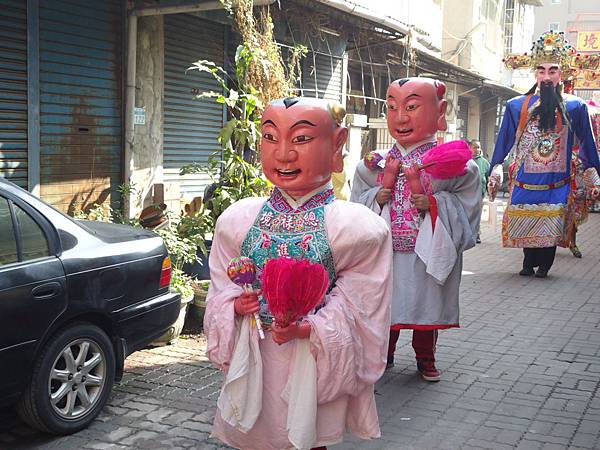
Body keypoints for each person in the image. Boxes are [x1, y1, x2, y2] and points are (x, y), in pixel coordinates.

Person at [204, 97, 392, 450]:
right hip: (255, 349)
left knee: (307, 434)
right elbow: (221, 286)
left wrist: (310, 327)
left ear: (337, 145)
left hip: (312, 354)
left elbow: (363, 302)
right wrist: (234, 305)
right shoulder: (237, 220)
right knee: (254, 432)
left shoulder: (356, 228)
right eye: (271, 137)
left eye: (302, 139)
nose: (284, 154)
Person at [350, 77, 481, 382]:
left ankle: (426, 357)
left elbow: (468, 200)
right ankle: (385, 354)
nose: (401, 118)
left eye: (411, 107)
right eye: (392, 107)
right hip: (388, 252)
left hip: (428, 249)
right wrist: (376, 197)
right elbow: (357, 202)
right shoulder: (373, 165)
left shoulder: (455, 165)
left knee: (427, 304)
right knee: (385, 306)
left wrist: (434, 204)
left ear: (440, 111)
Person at [490, 31, 600, 278]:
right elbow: (504, 142)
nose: (547, 76)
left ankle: (545, 266)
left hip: (557, 183)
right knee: (525, 223)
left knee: (551, 226)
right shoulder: (516, 105)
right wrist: (495, 168)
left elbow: (587, 145)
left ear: (563, 74)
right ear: (535, 73)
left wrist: (594, 176)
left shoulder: (576, 107)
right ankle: (528, 263)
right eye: (541, 70)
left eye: (553, 70)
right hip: (525, 181)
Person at [469, 139, 490, 243]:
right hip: (467, 194)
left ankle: (476, 234)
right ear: (470, 148)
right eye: (475, 147)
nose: (477, 149)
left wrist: (489, 192)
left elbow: (488, 178)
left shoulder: (485, 163)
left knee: (477, 215)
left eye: (478, 147)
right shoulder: (466, 161)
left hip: (479, 195)